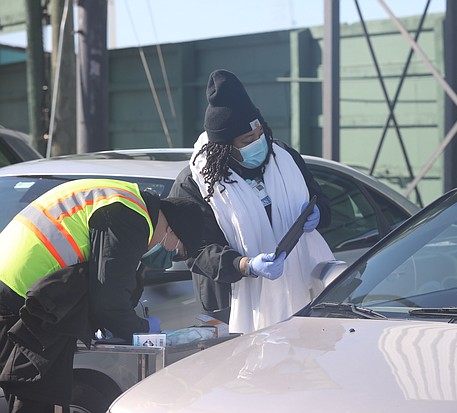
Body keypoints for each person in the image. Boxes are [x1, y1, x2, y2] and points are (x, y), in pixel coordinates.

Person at [0, 178, 206, 412]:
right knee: (35, 392)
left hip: (17, 280)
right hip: (21, 292)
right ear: (171, 231)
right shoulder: (129, 217)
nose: (170, 260)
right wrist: (141, 329)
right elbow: (110, 301)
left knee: (30, 389)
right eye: (177, 252)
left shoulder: (126, 201)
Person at [172, 69, 334, 334]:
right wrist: (244, 265)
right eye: (248, 140)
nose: (258, 142)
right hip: (231, 302)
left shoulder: (284, 158)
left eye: (260, 133)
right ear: (224, 147)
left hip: (300, 290)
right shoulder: (195, 183)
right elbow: (197, 251)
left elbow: (323, 202)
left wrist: (318, 212)